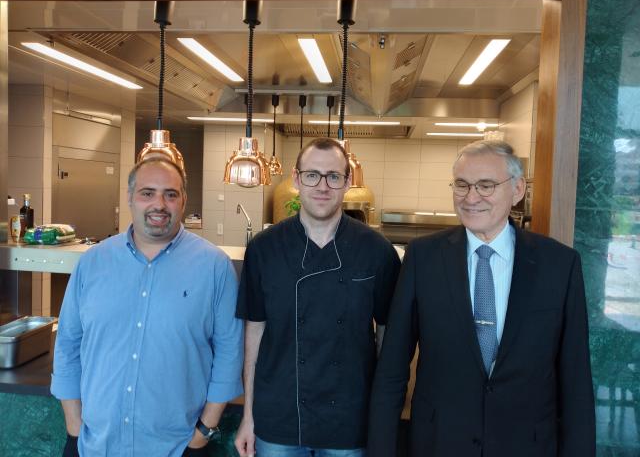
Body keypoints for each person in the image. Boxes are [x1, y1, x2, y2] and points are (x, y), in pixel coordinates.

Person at [368, 140, 595, 457]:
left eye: (486, 186)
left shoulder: (559, 265)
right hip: (440, 442)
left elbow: (576, 380)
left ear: (517, 190)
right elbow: (393, 367)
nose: (471, 197)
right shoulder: (423, 258)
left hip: (526, 445)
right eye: (462, 185)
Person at [51, 157, 244, 457]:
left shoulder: (214, 267)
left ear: (183, 201)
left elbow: (229, 352)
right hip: (95, 446)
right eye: (147, 193)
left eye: (170, 194)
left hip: (178, 447)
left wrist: (203, 432)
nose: (159, 204)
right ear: (130, 197)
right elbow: (67, 344)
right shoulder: (92, 263)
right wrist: (75, 430)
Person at [235, 138, 401, 457]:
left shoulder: (377, 251)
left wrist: (380, 415)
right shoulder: (264, 249)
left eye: (333, 176)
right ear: (296, 179)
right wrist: (248, 415)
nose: (322, 186)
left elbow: (388, 337)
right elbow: (254, 334)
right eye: (312, 175)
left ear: (347, 182)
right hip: (279, 416)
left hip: (349, 418)